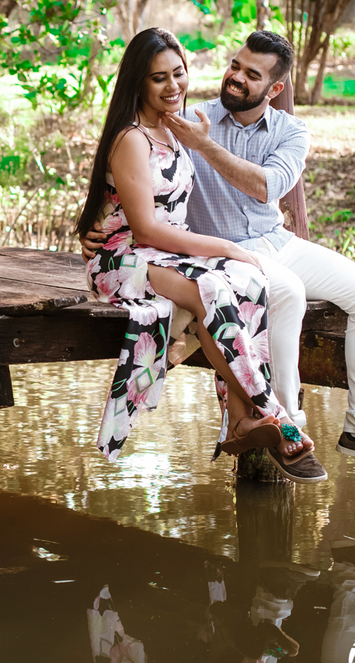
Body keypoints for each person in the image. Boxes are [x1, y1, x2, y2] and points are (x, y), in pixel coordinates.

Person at [83, 30, 355, 465]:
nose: (237, 78)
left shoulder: (284, 131)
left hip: (272, 241)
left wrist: (203, 145)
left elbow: (267, 187)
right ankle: (285, 423)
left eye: (252, 75)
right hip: (210, 250)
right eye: (235, 66)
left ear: (275, 89)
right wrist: (95, 228)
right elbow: (126, 184)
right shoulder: (184, 116)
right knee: (282, 292)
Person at [79, 27, 324, 483]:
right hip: (123, 259)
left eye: (179, 73)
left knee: (249, 279)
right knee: (212, 286)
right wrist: (228, 248)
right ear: (138, 82)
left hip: (163, 254)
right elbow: (146, 228)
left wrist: (233, 255)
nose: (173, 86)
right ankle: (273, 413)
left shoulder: (176, 129)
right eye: (159, 78)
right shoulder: (131, 137)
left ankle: (239, 419)